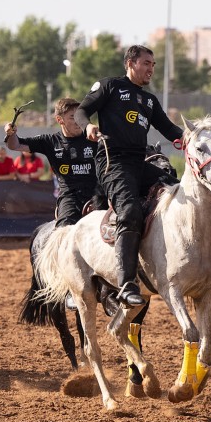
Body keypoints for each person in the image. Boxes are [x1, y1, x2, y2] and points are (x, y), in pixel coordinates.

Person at [74, 45, 182, 307]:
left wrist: (191, 138)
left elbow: (169, 128)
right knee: (131, 210)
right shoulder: (109, 86)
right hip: (113, 161)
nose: (151, 69)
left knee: (176, 188)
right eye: (147, 63)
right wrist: (87, 125)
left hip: (139, 162)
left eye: (153, 64)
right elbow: (80, 111)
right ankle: (126, 284)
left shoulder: (149, 101)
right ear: (131, 63)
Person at [5, 97, 97, 228]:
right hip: (71, 198)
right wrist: (11, 133)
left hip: (98, 195)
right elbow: (15, 145)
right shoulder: (50, 141)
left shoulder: (93, 136)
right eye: (72, 117)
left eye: (80, 116)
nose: (78, 121)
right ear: (60, 120)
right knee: (63, 232)